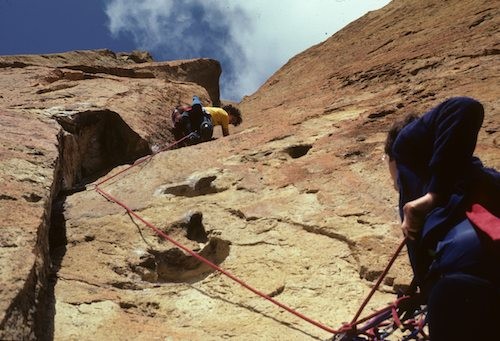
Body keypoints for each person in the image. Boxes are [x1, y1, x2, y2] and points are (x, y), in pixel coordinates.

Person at [384, 96, 500, 340]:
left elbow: (464, 107)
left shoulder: (405, 146)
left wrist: (432, 197)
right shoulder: (478, 176)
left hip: (467, 277)